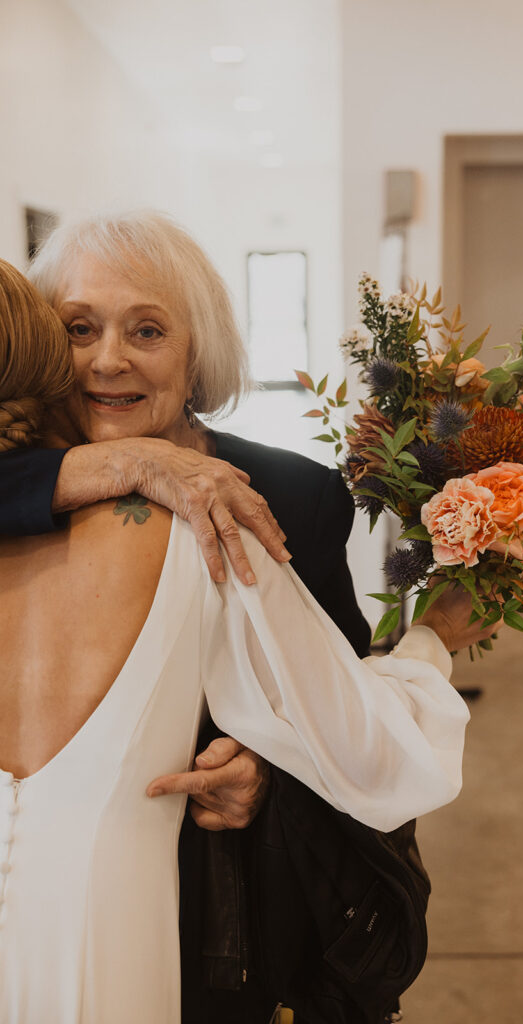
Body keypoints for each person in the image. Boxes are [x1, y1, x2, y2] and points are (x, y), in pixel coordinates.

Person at [0, 217, 493, 1023]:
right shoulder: (13, 480)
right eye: (77, 328)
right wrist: (137, 460)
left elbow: (330, 703)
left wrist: (263, 770)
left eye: (148, 330)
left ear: (198, 354)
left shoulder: (276, 497)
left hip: (205, 898)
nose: (107, 358)